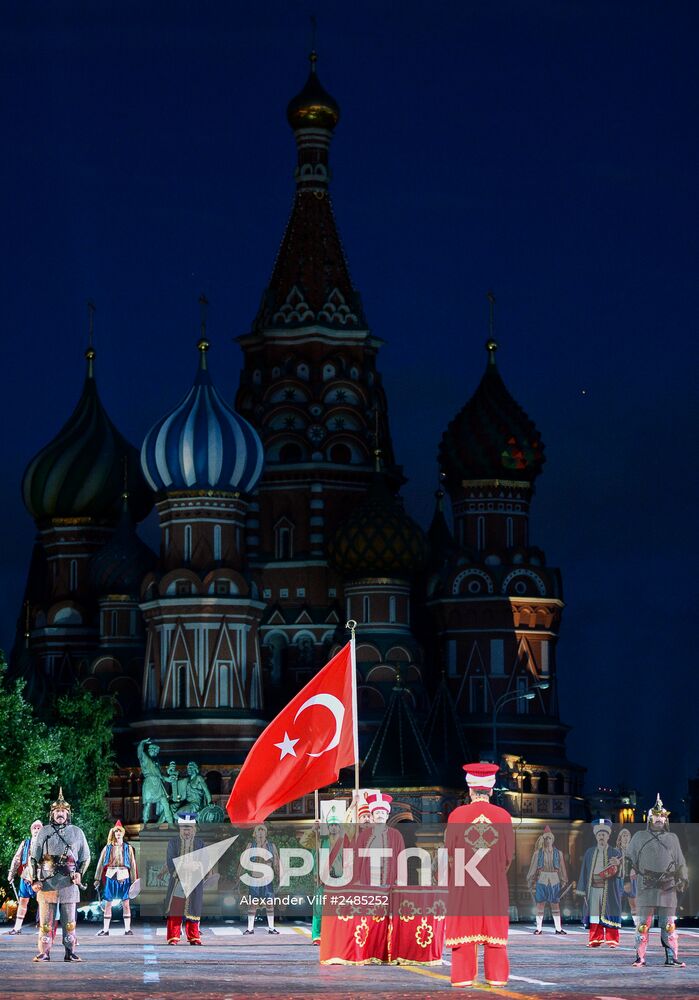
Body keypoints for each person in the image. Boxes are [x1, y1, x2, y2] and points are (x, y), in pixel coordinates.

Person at [445, 762, 515, 988]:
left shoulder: (457, 815)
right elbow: (508, 856)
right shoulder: (503, 816)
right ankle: (496, 976)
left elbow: (449, 851)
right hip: (493, 884)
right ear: (491, 790)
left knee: (464, 927)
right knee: (493, 929)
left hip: (464, 882)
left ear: (470, 790)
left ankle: (463, 977)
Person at [28, 787, 91, 963]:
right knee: (45, 923)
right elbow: (34, 858)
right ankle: (44, 952)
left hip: (68, 882)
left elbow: (86, 857)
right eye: (57, 811)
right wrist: (34, 879)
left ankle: (70, 952)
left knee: (69, 922)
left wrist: (79, 873)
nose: (60, 814)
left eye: (63, 811)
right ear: (52, 814)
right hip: (47, 882)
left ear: (68, 813)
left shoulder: (77, 832)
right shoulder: (44, 832)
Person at [627, 794, 688, 969]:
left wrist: (683, 878)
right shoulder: (639, 837)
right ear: (650, 818)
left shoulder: (672, 838)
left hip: (668, 886)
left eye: (662, 816)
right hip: (646, 885)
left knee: (668, 925)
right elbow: (629, 859)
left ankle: (671, 958)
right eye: (656, 815)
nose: (660, 818)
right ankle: (640, 957)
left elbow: (680, 861)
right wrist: (627, 876)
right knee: (643, 925)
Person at [576, 817, 622, 948]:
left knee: (610, 912)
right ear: (596, 836)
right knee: (594, 913)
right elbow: (584, 871)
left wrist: (618, 865)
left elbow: (621, 874)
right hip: (593, 888)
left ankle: (612, 939)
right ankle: (595, 939)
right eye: (599, 835)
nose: (602, 837)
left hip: (609, 888)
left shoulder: (615, 852)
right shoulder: (589, 852)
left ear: (608, 836)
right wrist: (582, 889)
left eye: (604, 835)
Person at [165, 812, 204, 945]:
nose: (187, 831)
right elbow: (170, 860)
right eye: (184, 828)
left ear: (194, 829)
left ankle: (194, 937)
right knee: (176, 908)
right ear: (180, 828)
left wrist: (197, 866)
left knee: (194, 908)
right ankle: (173, 937)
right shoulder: (173, 842)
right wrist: (184, 866)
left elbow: (204, 860)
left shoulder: (200, 843)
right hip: (178, 881)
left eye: (189, 828)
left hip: (194, 881)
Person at [93, 820, 138, 936]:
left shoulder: (128, 848)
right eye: (116, 832)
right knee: (108, 904)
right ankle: (105, 929)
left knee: (126, 904)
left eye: (120, 831)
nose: (118, 833)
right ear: (113, 833)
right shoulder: (108, 848)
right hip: (111, 876)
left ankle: (127, 929)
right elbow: (100, 863)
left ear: (123, 833)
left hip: (124, 876)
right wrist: (97, 879)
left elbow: (132, 864)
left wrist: (134, 881)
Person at [526, 825, 568, 935]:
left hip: (554, 879)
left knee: (555, 904)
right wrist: (530, 879)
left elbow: (562, 867)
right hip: (542, 878)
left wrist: (563, 879)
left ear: (552, 839)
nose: (548, 840)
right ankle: (538, 928)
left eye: (549, 838)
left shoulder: (558, 853)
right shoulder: (538, 853)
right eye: (546, 838)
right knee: (540, 904)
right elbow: (533, 867)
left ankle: (558, 928)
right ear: (543, 839)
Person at [241, 823, 280, 935]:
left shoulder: (271, 846)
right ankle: (250, 928)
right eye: (259, 830)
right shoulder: (251, 846)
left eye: (263, 830)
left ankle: (271, 928)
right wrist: (239, 875)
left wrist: (279, 875)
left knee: (270, 903)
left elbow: (276, 862)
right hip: (255, 879)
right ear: (255, 833)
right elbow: (243, 862)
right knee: (252, 903)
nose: (261, 832)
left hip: (267, 879)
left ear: (266, 833)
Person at [6, 820, 43, 934]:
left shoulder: (46, 843)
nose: (36, 830)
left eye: (39, 828)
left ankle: (44, 928)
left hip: (41, 877)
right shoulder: (26, 843)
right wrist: (11, 874)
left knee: (43, 902)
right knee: (22, 901)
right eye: (34, 828)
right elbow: (17, 859)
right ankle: (17, 927)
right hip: (26, 876)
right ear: (31, 830)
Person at [616, 827, 637, 927]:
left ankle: (638, 924)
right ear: (620, 838)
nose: (625, 837)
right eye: (623, 835)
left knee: (634, 904)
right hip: (619, 879)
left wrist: (634, 869)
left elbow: (639, 864)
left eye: (627, 835)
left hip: (631, 879)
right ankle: (615, 923)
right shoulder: (615, 851)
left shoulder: (634, 851)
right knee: (617, 903)